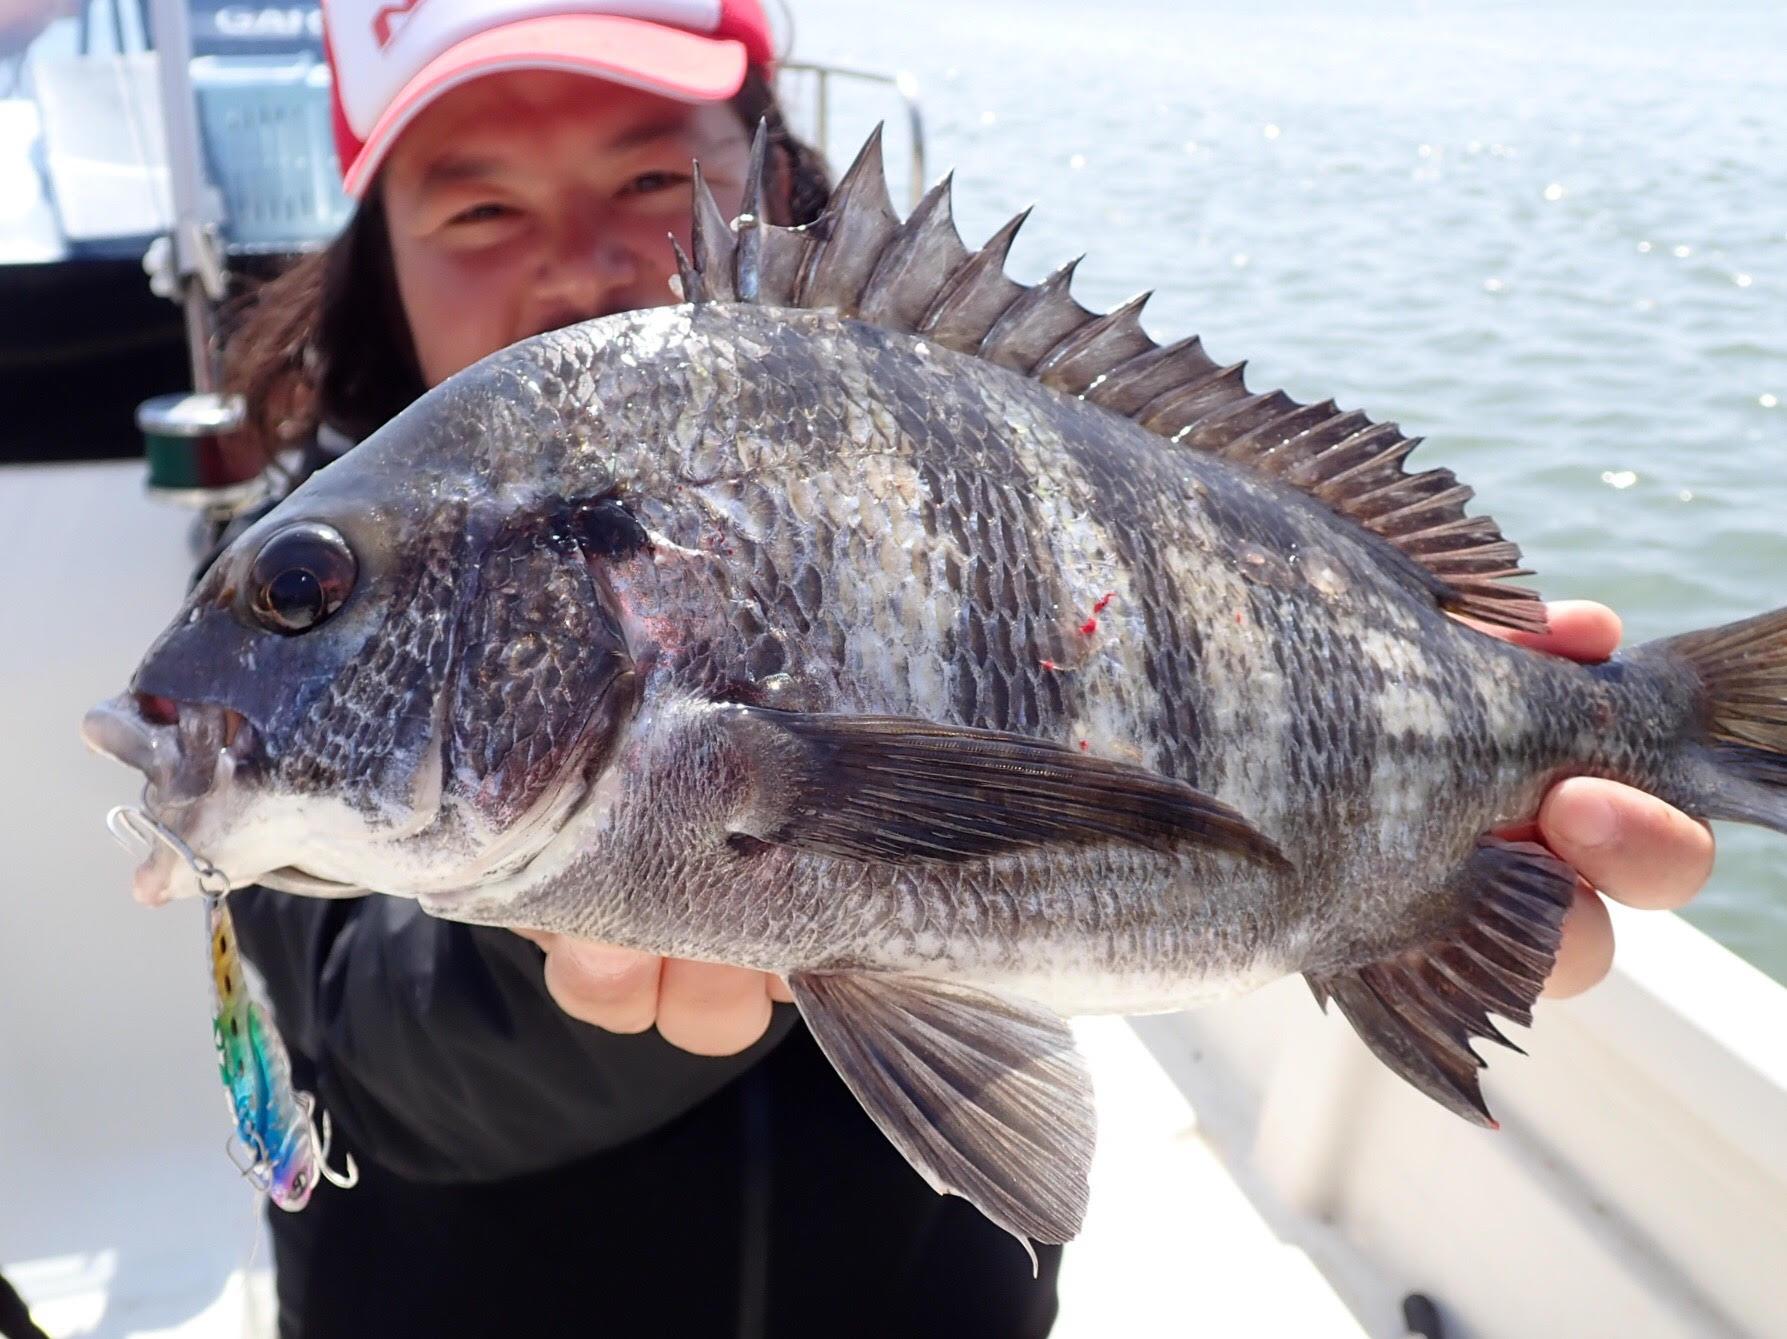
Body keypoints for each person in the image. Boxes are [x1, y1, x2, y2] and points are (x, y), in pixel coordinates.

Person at [209, 2, 1716, 1335]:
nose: (577, 268)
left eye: (652, 177)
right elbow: (361, 1050)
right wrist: (592, 911)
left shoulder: (916, 431)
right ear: (369, 252)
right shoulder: (293, 566)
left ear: (768, 166)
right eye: (476, 210)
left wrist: (1448, 881)